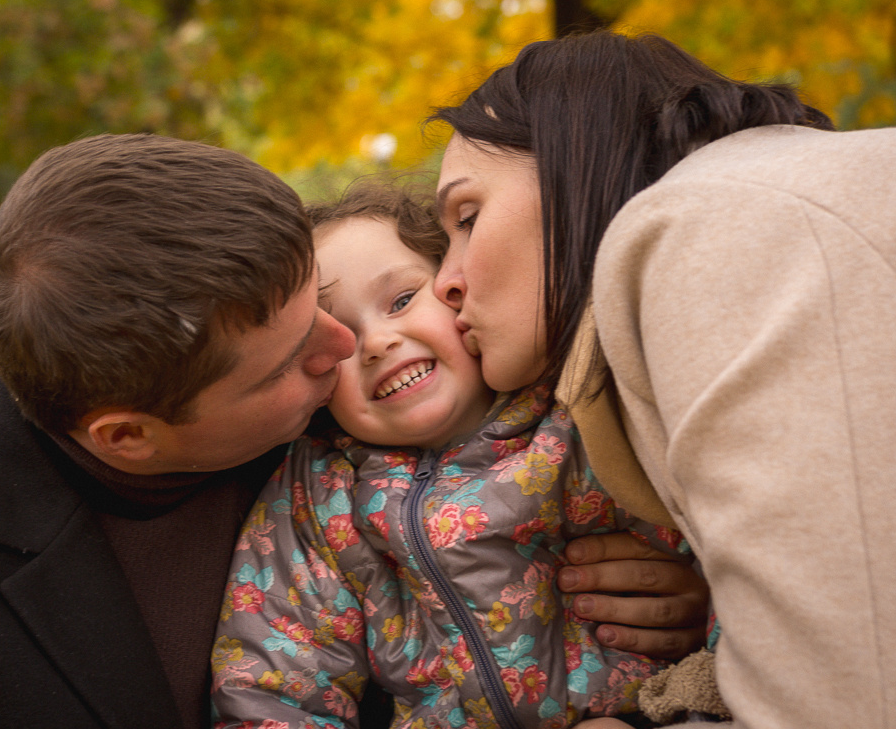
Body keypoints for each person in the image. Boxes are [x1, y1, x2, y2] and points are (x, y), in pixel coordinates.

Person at [0, 133, 708, 729]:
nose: (347, 351)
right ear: (130, 435)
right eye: (296, 356)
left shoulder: (481, 422)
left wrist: (686, 585)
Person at [428, 30, 896, 728]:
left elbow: (833, 704)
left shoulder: (709, 230)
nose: (444, 283)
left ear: (576, 160)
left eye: (467, 217)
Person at [211, 184, 694, 728]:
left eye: (400, 301)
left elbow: (730, 558)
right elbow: (274, 682)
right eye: (341, 338)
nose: (376, 343)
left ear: (459, 290)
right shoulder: (323, 494)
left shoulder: (580, 415)